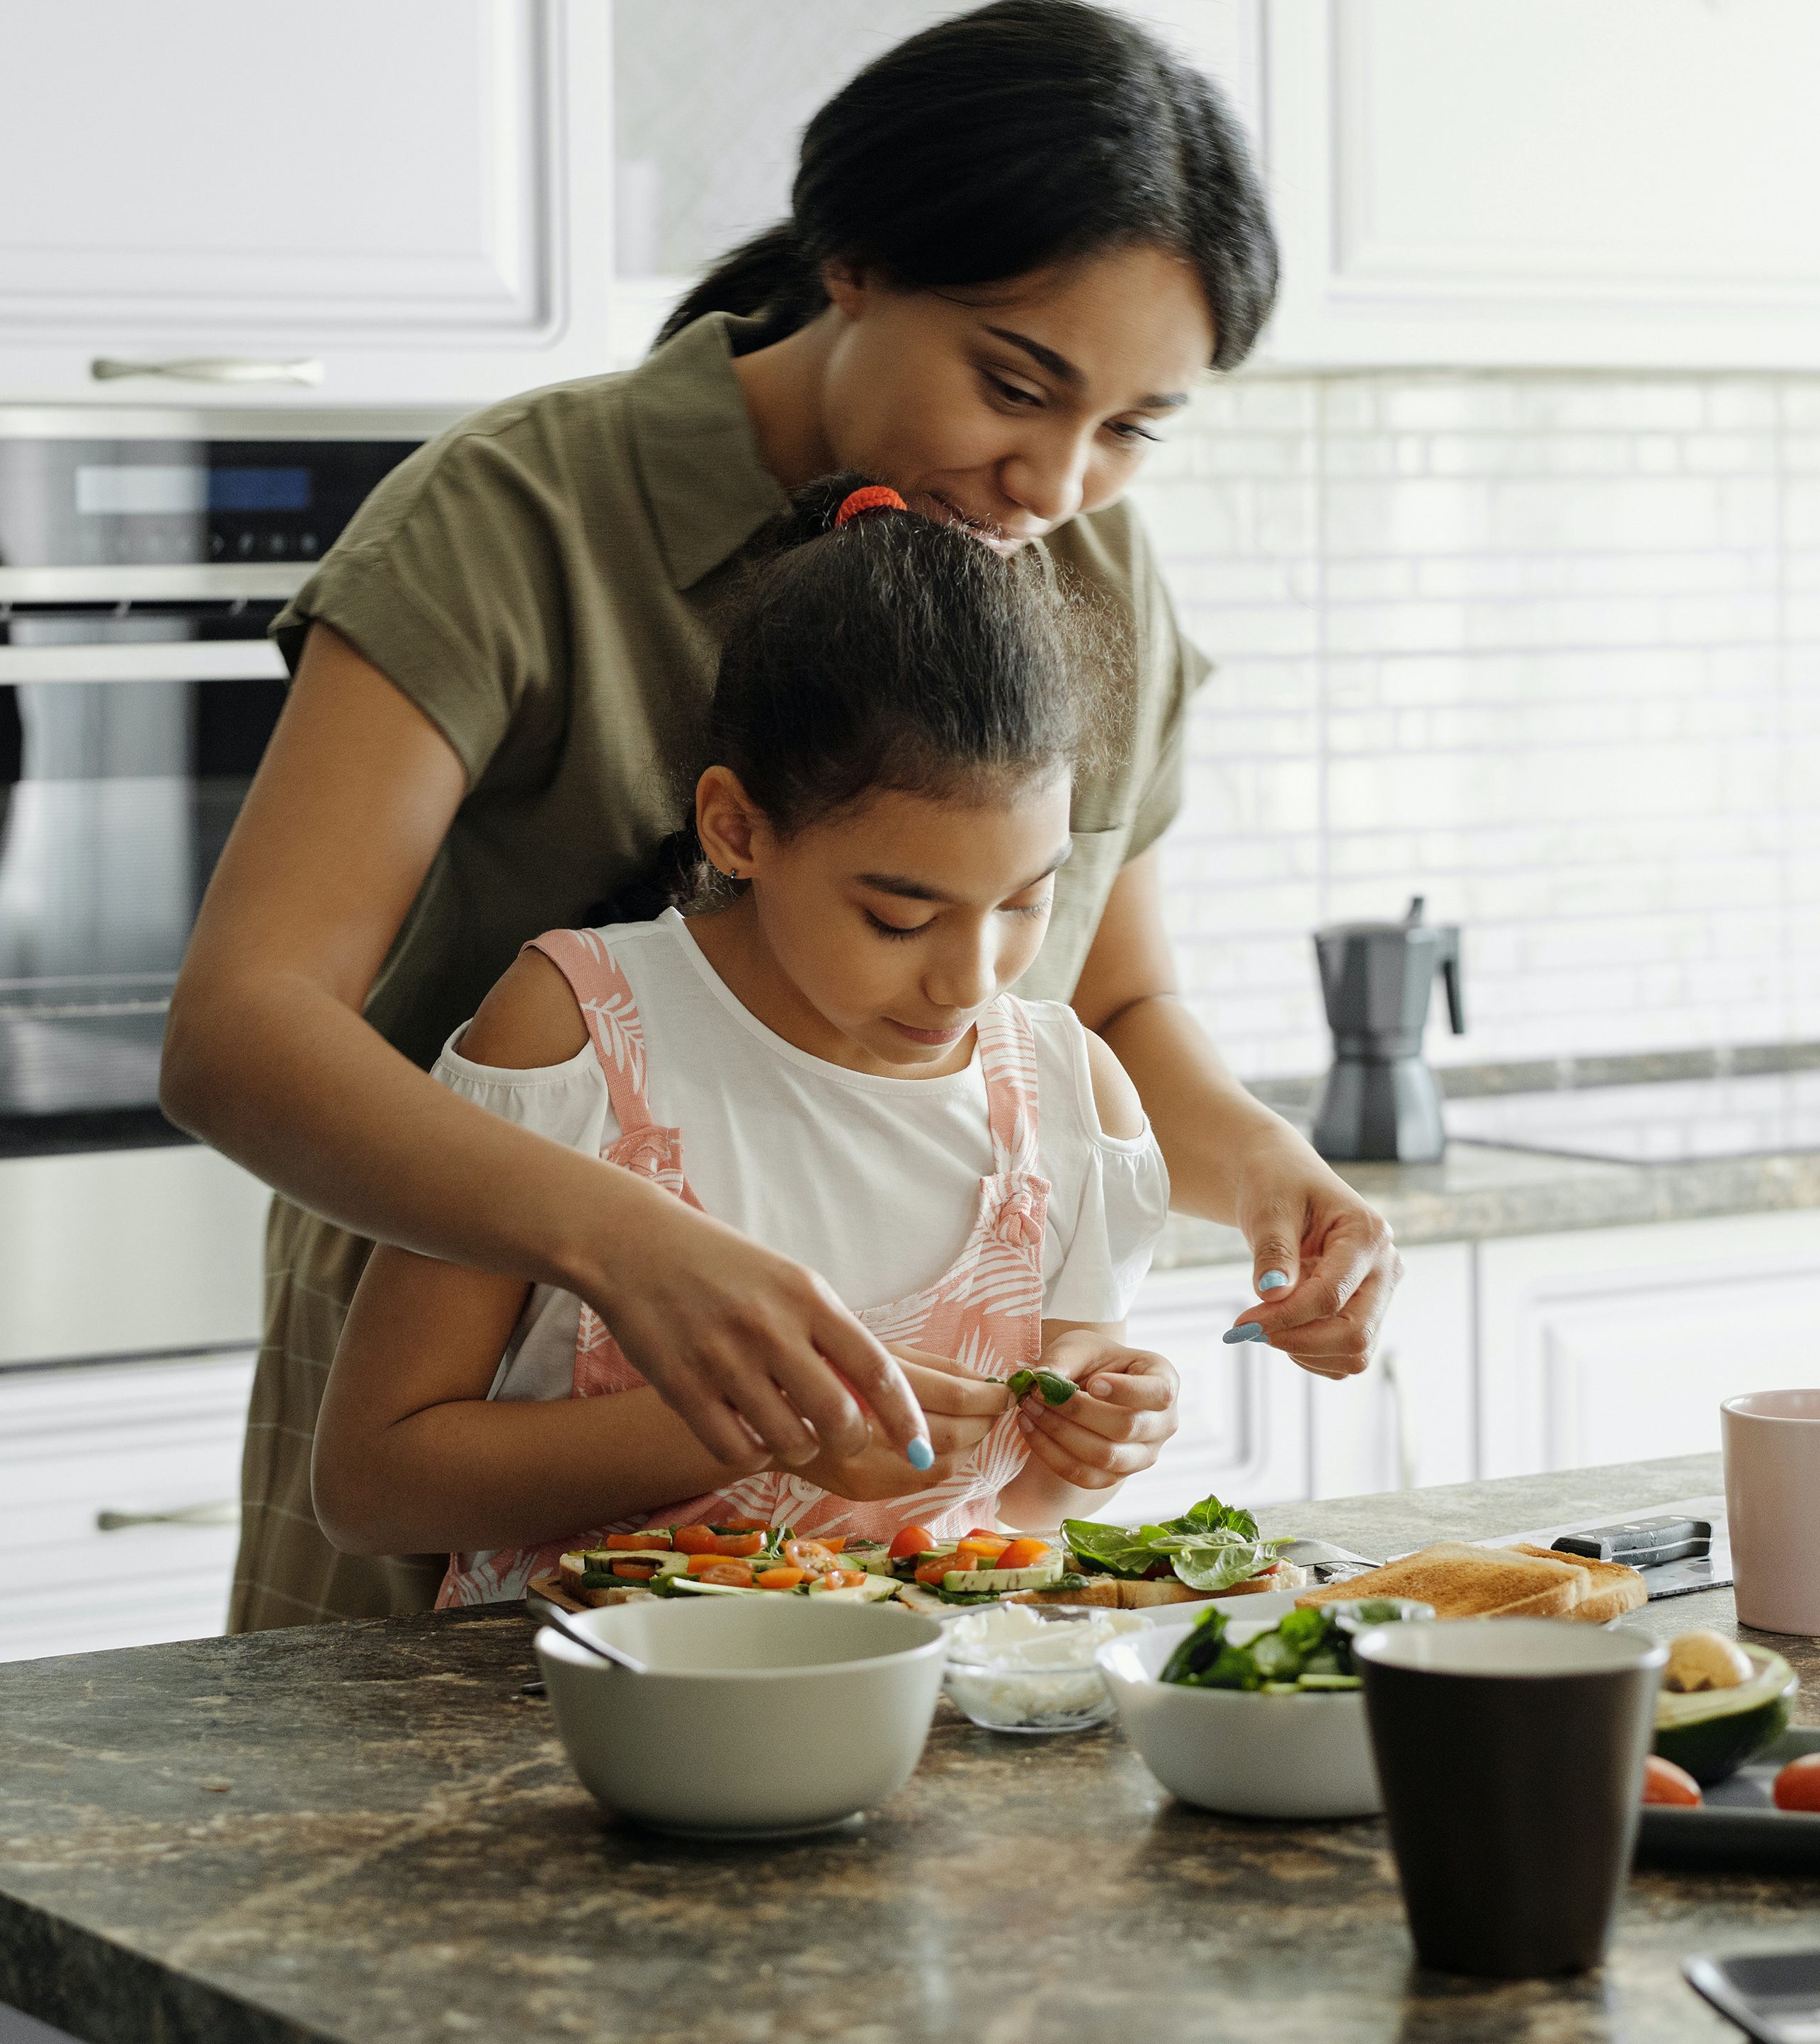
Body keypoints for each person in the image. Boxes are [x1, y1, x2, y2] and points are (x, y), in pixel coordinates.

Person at [164, 0, 1406, 1628]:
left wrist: (1266, 1174)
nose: (1057, 480)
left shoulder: (1087, 568)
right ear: (857, 265)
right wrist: (633, 1248)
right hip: (478, 1402)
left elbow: (1104, 1001)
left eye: (1129, 430)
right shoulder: (518, 515)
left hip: (876, 1561)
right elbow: (241, 1032)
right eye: (1016, 384)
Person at [313, 476, 1176, 1602]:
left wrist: (1092, 1447)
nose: (971, 978)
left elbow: (1018, 1515)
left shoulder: (1070, 1100)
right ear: (736, 827)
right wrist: (751, 1428)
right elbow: (371, 1487)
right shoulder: (577, 1035)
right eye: (899, 916)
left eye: (1026, 901)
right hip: (571, 1727)